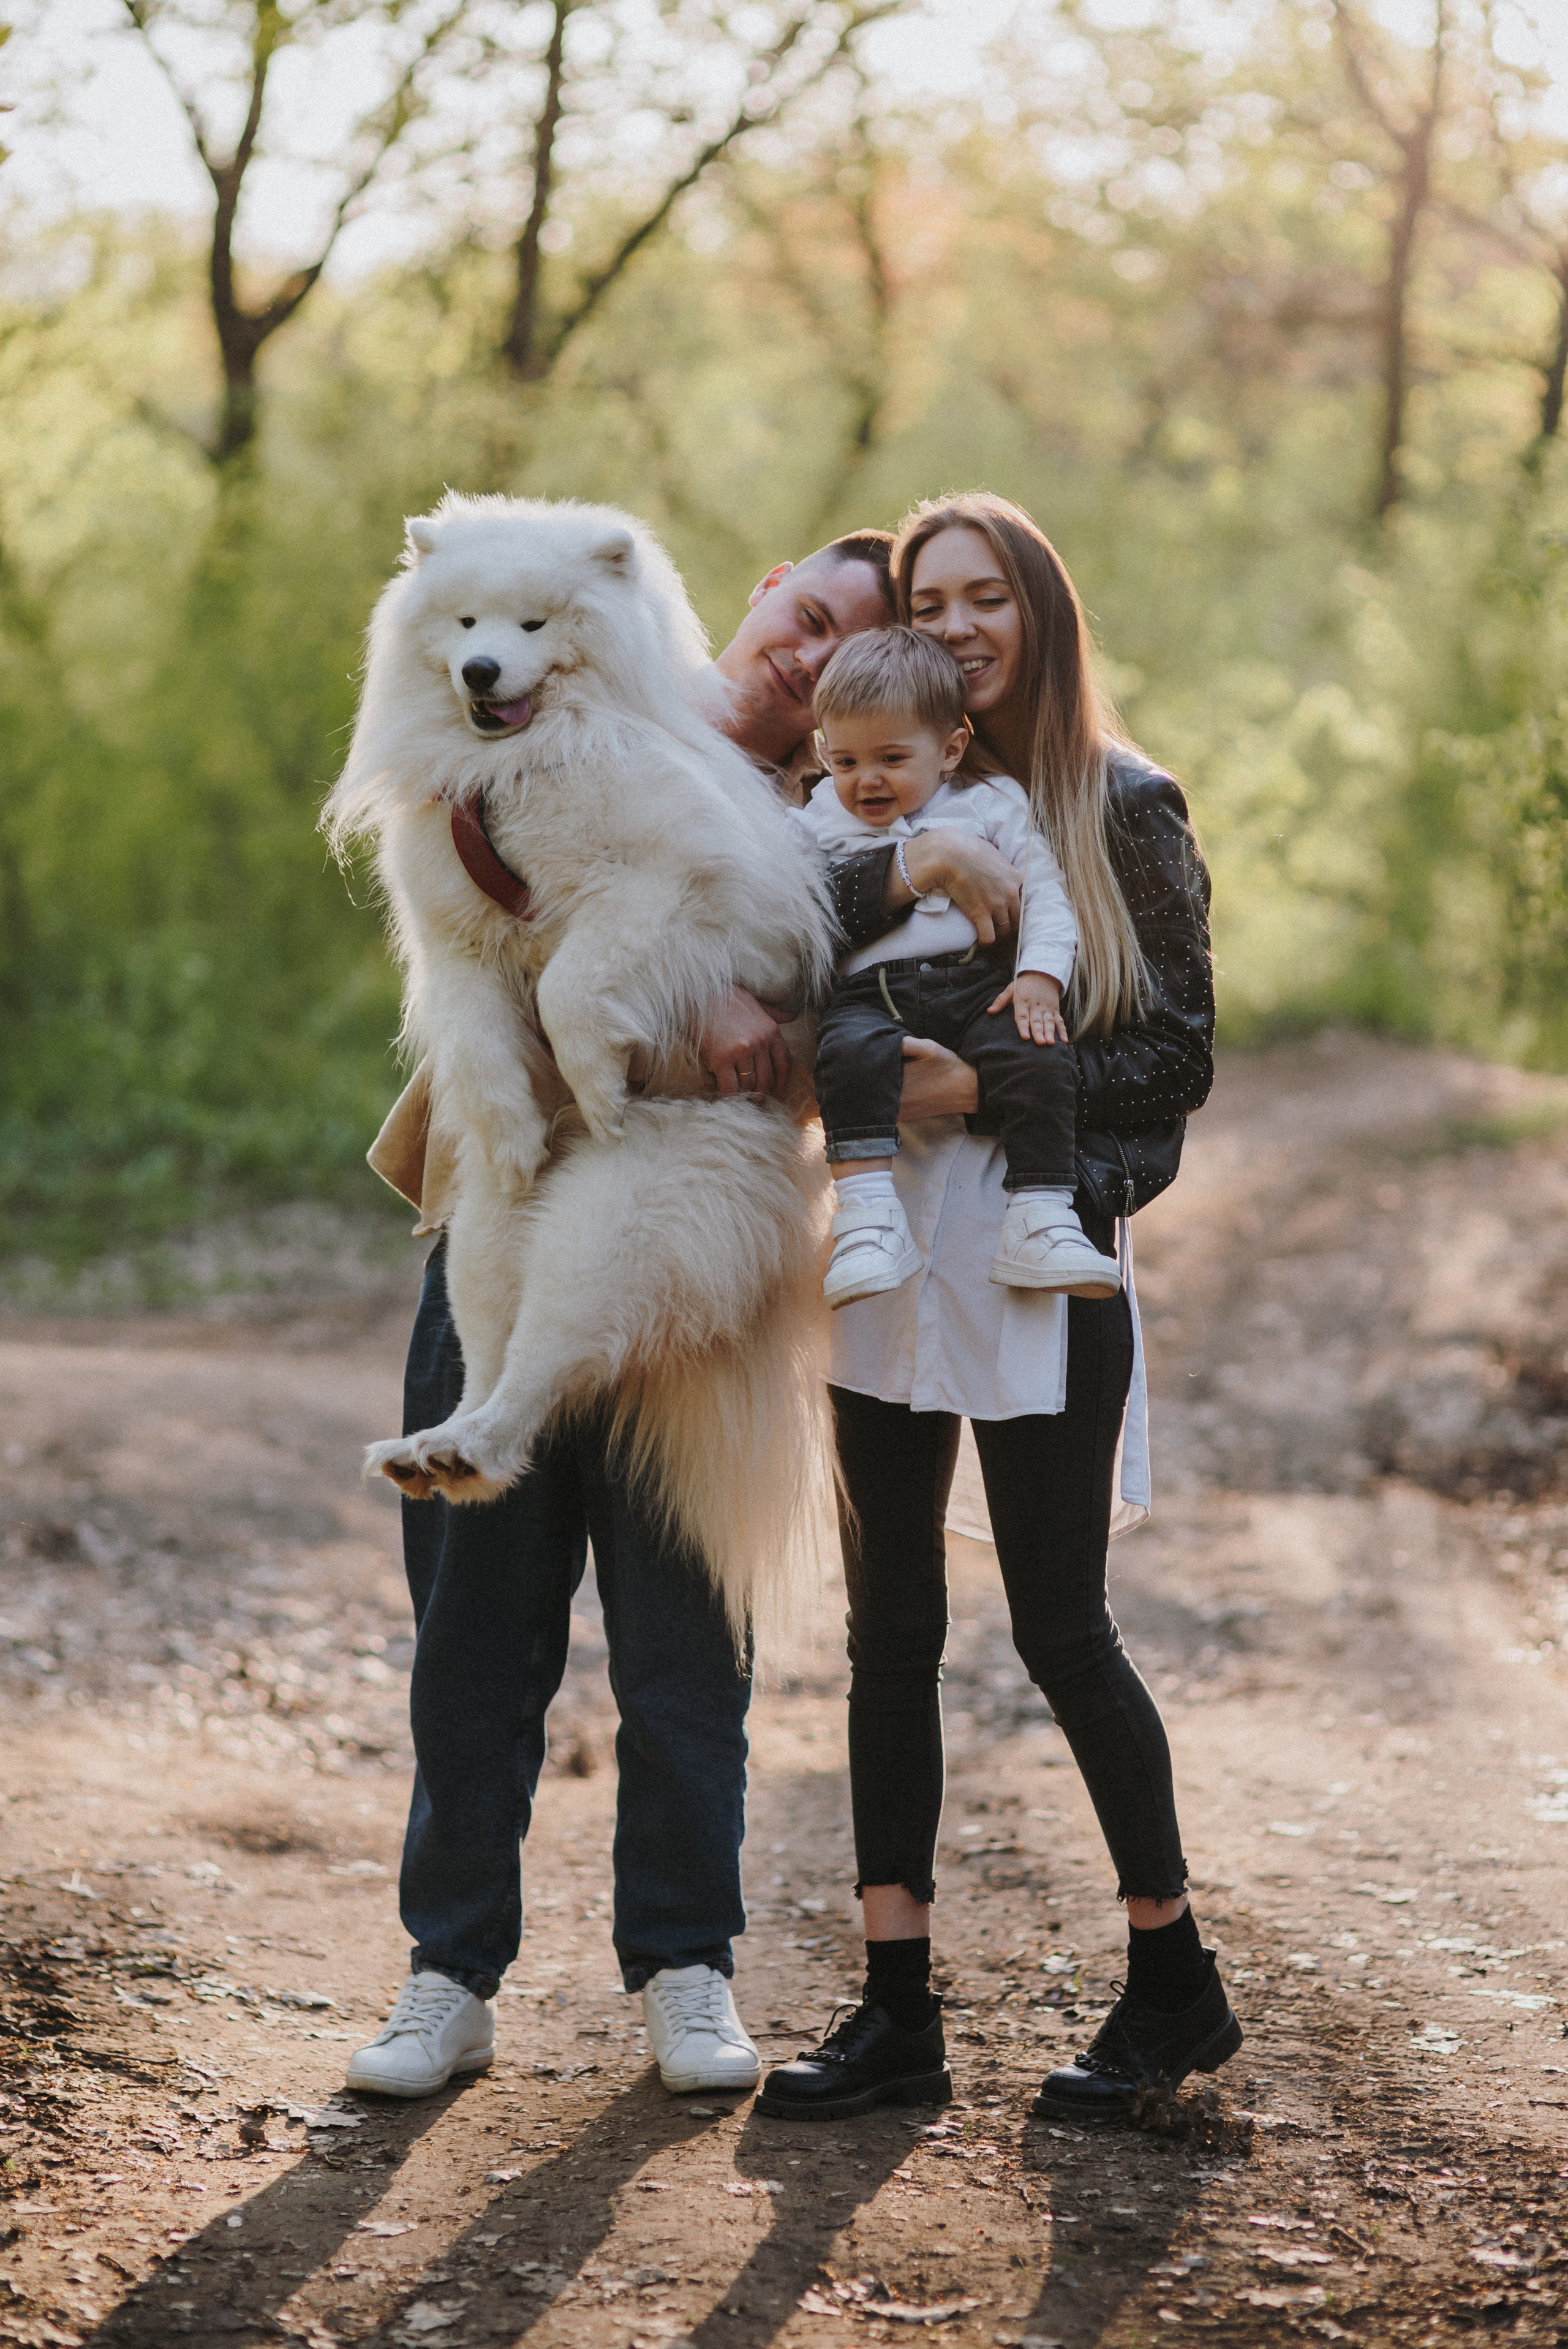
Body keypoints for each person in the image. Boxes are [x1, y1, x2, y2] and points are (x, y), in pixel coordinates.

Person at [344, 532, 902, 2102]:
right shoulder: (539, 688)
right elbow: (460, 918)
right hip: (506, 1209)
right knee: (475, 1625)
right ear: (763, 585)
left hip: (691, 1249)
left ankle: (684, 1964)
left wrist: (761, 1016)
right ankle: (447, 1973)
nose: (808, 654)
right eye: (807, 613)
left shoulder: (852, 809)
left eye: (848, 644)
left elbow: (876, 1028)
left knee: (680, 1645)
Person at [757, 491, 1242, 2125]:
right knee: (886, 1631)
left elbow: (1176, 1053)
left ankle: (1172, 1977)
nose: (957, 625)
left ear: (1040, 610)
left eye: (988, 597)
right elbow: (779, 941)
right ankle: (895, 2009)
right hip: (882, 1250)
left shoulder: (1119, 803)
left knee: (1059, 1626)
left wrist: (981, 1086)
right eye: (928, 600)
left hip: (1041, 1249)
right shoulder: (873, 789)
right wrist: (899, 859)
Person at [798, 626, 1121, 1307]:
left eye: (891, 758)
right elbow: (790, 905)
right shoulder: (818, 817)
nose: (866, 780)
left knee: (1036, 1053)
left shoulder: (990, 803)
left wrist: (1039, 975)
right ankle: (867, 1220)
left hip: (977, 984)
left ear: (950, 750)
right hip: (870, 994)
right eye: (845, 760)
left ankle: (1041, 1216)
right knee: (847, 1055)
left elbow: (1045, 891)